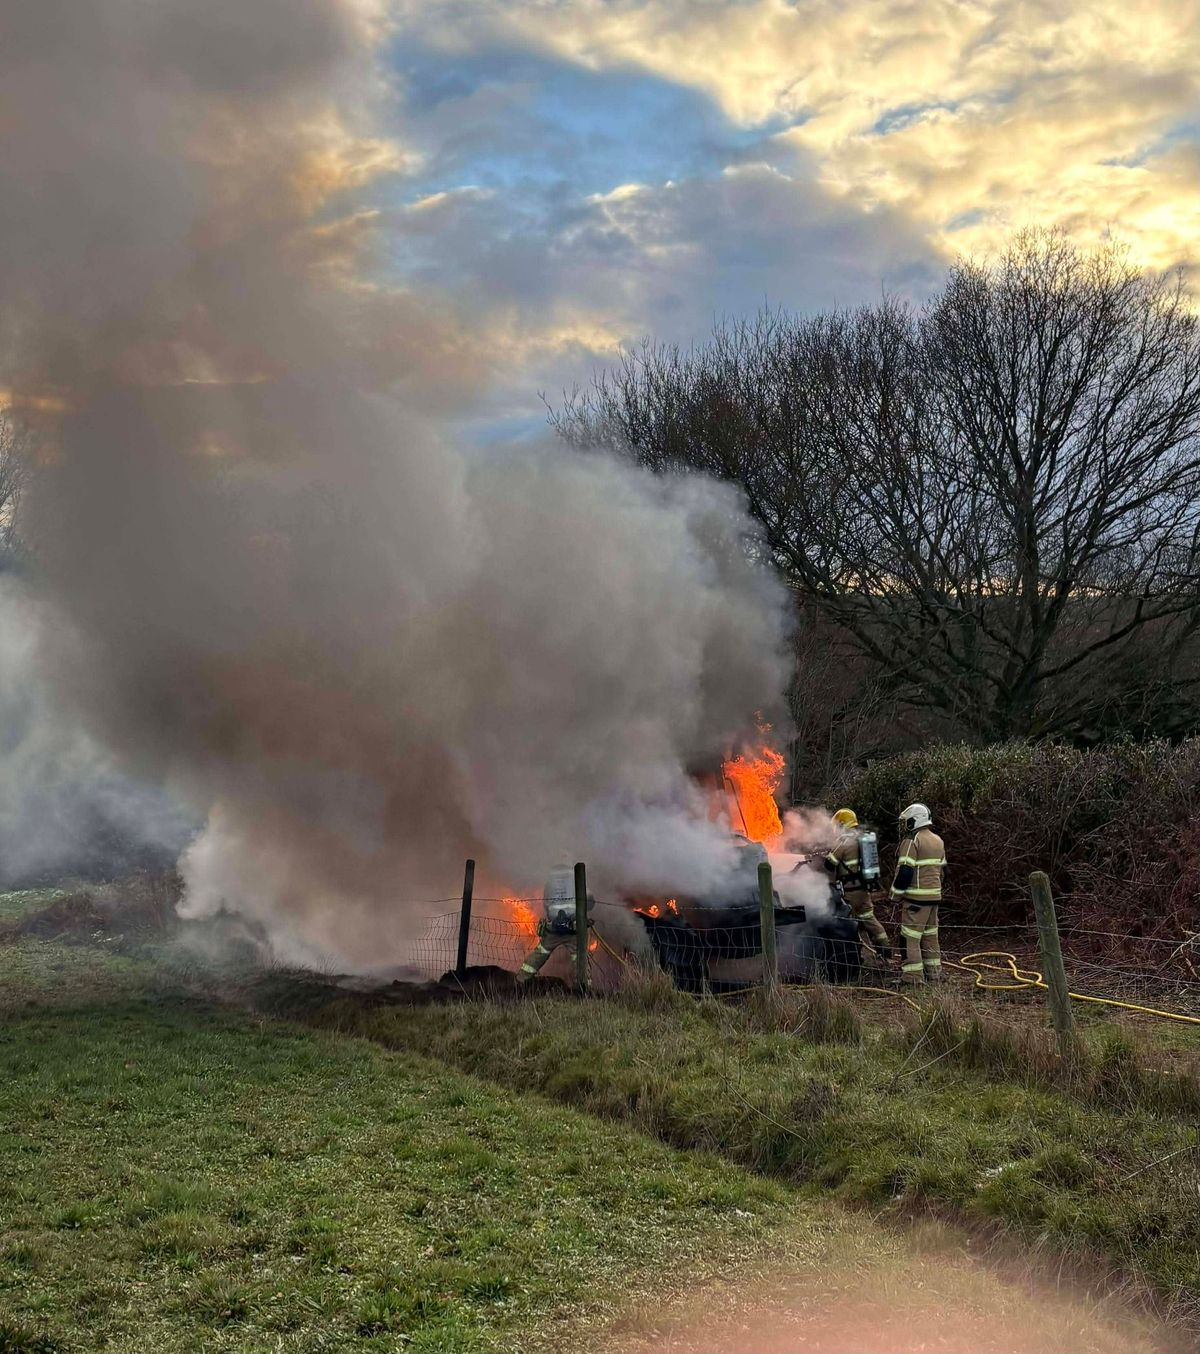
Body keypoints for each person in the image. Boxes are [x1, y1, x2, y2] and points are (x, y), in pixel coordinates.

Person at [824, 807, 893, 962]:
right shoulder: (863, 838)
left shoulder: (844, 841)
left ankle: (855, 956)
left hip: (850, 892)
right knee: (869, 919)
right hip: (864, 890)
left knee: (848, 924)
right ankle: (886, 951)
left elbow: (830, 864)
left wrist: (828, 853)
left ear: (842, 825)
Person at [889, 802, 947, 985]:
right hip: (934, 899)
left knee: (909, 938)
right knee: (930, 937)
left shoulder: (912, 841)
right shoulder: (938, 840)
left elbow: (905, 872)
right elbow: (944, 872)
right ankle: (935, 975)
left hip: (916, 901)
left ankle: (912, 978)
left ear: (914, 821)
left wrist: (894, 895)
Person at [517, 864, 592, 984]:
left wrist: (554, 918)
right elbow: (590, 901)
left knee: (540, 954)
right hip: (573, 929)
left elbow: (546, 904)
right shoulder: (576, 878)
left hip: (553, 929)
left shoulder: (550, 883)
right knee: (579, 958)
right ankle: (584, 988)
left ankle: (520, 981)